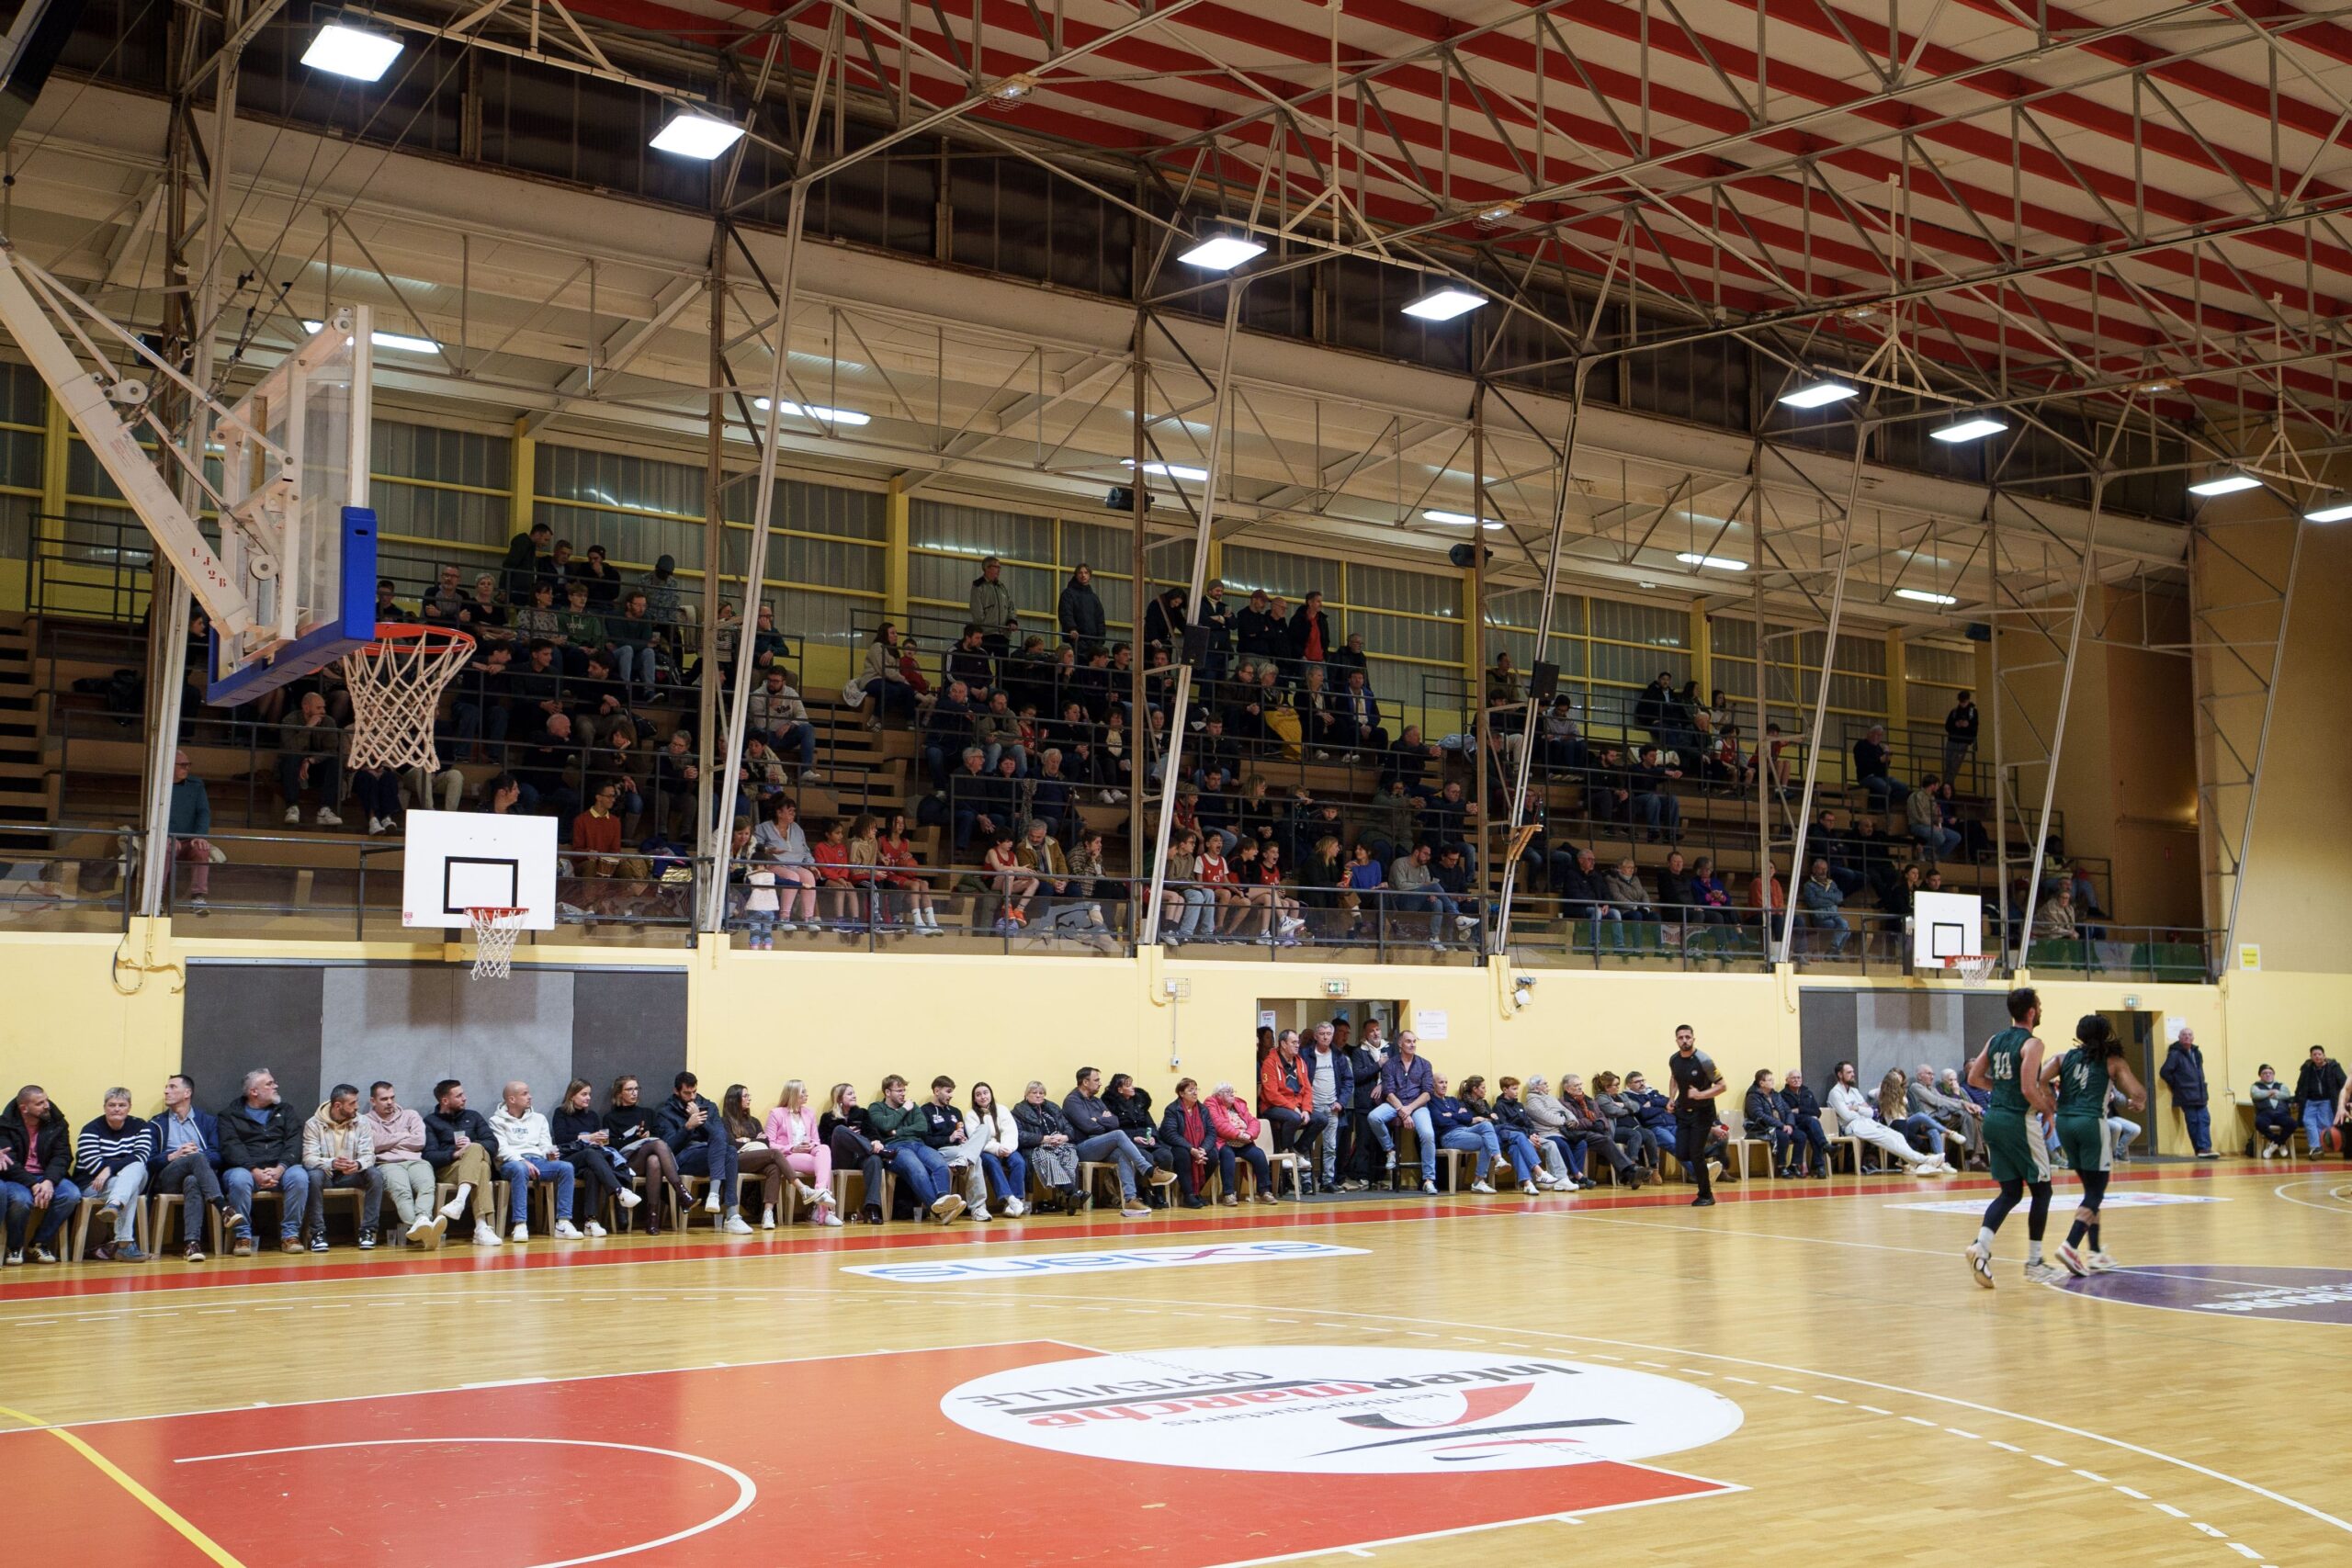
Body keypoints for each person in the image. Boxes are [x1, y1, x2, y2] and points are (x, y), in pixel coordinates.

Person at [1963, 987, 2062, 1287]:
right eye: (2039, 1005)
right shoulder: (2033, 1043)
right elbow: (2029, 1089)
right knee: (2042, 1191)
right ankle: (2035, 1263)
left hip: (1994, 1119)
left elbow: (1974, 1078)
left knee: (2011, 1192)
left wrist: (2001, 1089)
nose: (2040, 1010)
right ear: (2031, 1012)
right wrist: (2048, 1110)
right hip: (2019, 1121)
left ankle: (1981, 1248)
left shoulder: (1995, 1039)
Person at [2046, 1014, 2146, 1277]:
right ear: (2106, 1033)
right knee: (2096, 1193)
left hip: (2065, 1123)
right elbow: (2137, 1092)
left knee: (2090, 1191)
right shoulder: (2113, 1061)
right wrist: (2138, 1103)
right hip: (2091, 1123)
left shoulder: (2062, 1058)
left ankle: (2096, 1252)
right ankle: (2070, 1245)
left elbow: (2038, 1080)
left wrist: (2049, 1104)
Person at [215, 1067, 315, 1254]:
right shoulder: (229, 1115)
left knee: (299, 1176)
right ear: (254, 1091)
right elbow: (231, 1147)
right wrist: (254, 1170)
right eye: (269, 1084)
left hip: (281, 1169)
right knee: (238, 1179)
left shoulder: (286, 1110)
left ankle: (290, 1236)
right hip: (245, 1170)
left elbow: (294, 1142)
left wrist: (280, 1168)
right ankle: (242, 1237)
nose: (275, 1086)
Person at [484, 1081, 581, 1242]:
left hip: (537, 1161)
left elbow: (545, 1144)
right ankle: (520, 1224)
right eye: (525, 1094)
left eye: (529, 1093)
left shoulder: (539, 1118)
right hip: (511, 1163)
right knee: (520, 1169)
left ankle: (563, 1222)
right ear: (512, 1099)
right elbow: (501, 1149)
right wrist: (522, 1160)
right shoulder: (496, 1121)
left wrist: (549, 1153)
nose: (530, 1097)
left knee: (566, 1167)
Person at [1826, 1060, 1953, 1180]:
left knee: (1898, 1136)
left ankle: (1918, 1164)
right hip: (1852, 1126)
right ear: (1840, 1075)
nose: (1853, 1074)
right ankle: (1924, 1161)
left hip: (1866, 1122)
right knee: (1887, 1139)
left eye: (1853, 1072)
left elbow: (1871, 1112)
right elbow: (1847, 1116)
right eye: (1849, 1072)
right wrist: (1861, 1110)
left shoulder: (1854, 1091)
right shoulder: (1835, 1093)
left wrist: (1856, 1108)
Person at [1062, 1067, 1163, 1216]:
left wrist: (1097, 1119)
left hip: (1101, 1145)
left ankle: (1130, 1199)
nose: (1100, 1083)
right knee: (1118, 1135)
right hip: (1082, 1147)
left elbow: (1115, 1122)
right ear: (1085, 1082)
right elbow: (1088, 1126)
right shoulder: (1072, 1101)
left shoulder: (1097, 1101)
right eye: (1096, 1080)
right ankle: (1148, 1170)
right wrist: (1103, 1120)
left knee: (1123, 1153)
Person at [658, 1071, 752, 1233]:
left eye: (694, 1091)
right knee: (728, 1151)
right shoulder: (665, 1112)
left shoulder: (709, 1106)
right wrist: (687, 1127)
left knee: (729, 1150)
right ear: (676, 1091)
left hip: (711, 1153)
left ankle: (730, 1213)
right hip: (684, 1156)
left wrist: (702, 1122)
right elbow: (667, 1147)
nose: (692, 1097)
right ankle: (723, 1205)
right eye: (687, 1093)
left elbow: (723, 1138)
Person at [422, 1078, 511, 1247]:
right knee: (481, 1167)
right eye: (459, 1095)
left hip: (475, 1161)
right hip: (450, 1168)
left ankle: (459, 1201)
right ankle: (481, 1228)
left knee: (476, 1149)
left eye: (463, 1094)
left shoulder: (473, 1116)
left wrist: (470, 1146)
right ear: (445, 1100)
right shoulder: (430, 1122)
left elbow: (493, 1144)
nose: (465, 1098)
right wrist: (454, 1153)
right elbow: (429, 1156)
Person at [867, 1075, 967, 1224]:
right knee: (917, 1169)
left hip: (918, 1145)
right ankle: (940, 1211)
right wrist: (903, 1110)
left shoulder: (912, 1106)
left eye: (904, 1090)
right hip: (895, 1148)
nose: (903, 1094)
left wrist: (897, 1131)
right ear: (887, 1092)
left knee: (940, 1165)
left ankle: (944, 1201)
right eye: (899, 1091)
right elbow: (886, 1124)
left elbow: (922, 1127)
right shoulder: (876, 1108)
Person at [359, 1081, 447, 1247]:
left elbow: (419, 1141)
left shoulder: (410, 1115)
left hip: (415, 1161)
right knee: (402, 1192)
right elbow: (374, 1144)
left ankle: (422, 1220)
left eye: (392, 1097)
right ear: (373, 1101)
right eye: (384, 1099)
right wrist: (404, 1135)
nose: (390, 1102)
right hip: (387, 1163)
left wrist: (388, 1142)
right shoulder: (364, 1121)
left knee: (427, 1186)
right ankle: (420, 1227)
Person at [298, 1084, 384, 1251]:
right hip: (326, 1174)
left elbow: (369, 1155)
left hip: (351, 1174)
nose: (357, 1107)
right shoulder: (313, 1124)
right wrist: (331, 1163)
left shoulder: (362, 1122)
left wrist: (358, 1164)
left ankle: (368, 1231)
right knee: (313, 1176)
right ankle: (318, 1233)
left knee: (375, 1175)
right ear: (338, 1105)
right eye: (352, 1103)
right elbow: (308, 1159)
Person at [73, 1087, 153, 1261]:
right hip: (93, 1184)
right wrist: (121, 1164)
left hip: (127, 1178)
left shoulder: (141, 1126)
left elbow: (141, 1156)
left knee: (137, 1166)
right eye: (112, 1105)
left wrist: (109, 1168)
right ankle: (125, 1244)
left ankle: (114, 1205)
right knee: (128, 1188)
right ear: (104, 1107)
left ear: (129, 1107)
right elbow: (93, 1166)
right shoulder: (90, 1129)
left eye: (121, 1105)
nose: (116, 1109)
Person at [604, 1076, 686, 1234]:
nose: (634, 1093)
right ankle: (681, 1192)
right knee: (657, 1144)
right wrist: (635, 1138)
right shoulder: (610, 1118)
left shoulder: (647, 1113)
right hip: (626, 1162)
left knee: (654, 1160)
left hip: (646, 1160)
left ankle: (652, 1218)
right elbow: (611, 1146)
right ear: (619, 1093)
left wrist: (647, 1135)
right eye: (629, 1089)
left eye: (636, 1089)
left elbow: (658, 1135)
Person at [1366, 1030, 1441, 1191]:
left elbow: (1427, 1093)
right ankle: (1390, 1150)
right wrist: (1402, 1110)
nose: (1412, 1044)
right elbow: (1388, 1092)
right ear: (1400, 1044)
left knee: (1428, 1134)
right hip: (1395, 1104)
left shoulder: (1425, 1064)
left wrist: (1409, 1109)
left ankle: (1428, 1180)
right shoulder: (1390, 1065)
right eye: (1408, 1041)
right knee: (1373, 1117)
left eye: (1414, 1041)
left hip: (1417, 1106)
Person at [759, 1081, 839, 1226]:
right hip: (787, 1156)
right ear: (793, 1093)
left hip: (809, 1153)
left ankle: (820, 1192)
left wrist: (811, 1145)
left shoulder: (809, 1113)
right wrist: (792, 1148)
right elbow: (769, 1144)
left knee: (824, 1149)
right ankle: (825, 1214)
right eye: (803, 1092)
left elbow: (816, 1140)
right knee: (824, 1166)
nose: (806, 1094)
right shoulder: (776, 1113)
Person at [1258, 1031, 1330, 1190]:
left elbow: (1307, 1090)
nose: (1298, 1045)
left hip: (1297, 1106)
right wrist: (1294, 1108)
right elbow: (1271, 1094)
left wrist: (1306, 1109)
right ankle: (1286, 1151)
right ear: (1283, 1044)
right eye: (1294, 1042)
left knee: (1321, 1119)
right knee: (1294, 1118)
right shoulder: (1270, 1062)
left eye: (1298, 1042)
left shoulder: (1300, 1062)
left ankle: (1297, 1150)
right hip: (1273, 1107)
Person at [1666, 1025, 1728, 1208]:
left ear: (1693, 1038)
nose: (1684, 1040)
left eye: (1688, 1037)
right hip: (1683, 1111)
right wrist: (1671, 1099)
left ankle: (1706, 1195)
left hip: (1703, 1112)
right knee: (1682, 1152)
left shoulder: (1704, 1060)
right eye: (1681, 1037)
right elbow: (1674, 1078)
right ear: (1676, 1040)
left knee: (1695, 1154)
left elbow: (1722, 1086)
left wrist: (1700, 1095)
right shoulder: (1674, 1059)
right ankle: (1714, 1150)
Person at [922, 1076, 993, 1220]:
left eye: (952, 1091)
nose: (951, 1095)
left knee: (984, 1128)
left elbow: (963, 1134)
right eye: (948, 1091)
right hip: (940, 1151)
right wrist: (949, 1138)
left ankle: (963, 1159)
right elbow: (925, 1140)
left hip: (960, 1149)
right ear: (937, 1091)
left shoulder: (955, 1111)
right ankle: (978, 1209)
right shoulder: (924, 1111)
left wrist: (963, 1138)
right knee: (976, 1159)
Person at [1013, 1080, 1085, 1212]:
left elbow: (1068, 1126)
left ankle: (1070, 1199)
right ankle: (1072, 1192)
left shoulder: (1053, 1109)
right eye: (1034, 1092)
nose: (1038, 1095)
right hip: (1037, 1147)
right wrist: (1042, 1139)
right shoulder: (1018, 1112)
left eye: (1041, 1093)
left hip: (1060, 1145)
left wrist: (1065, 1137)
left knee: (1070, 1158)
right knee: (1049, 1158)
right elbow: (1019, 1135)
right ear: (1026, 1094)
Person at [1427, 1074, 1503, 1193]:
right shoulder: (1430, 1102)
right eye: (1441, 1082)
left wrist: (1451, 1115)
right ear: (1433, 1084)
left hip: (1464, 1130)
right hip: (1448, 1136)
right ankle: (1479, 1181)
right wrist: (1459, 1115)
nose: (1444, 1085)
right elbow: (1440, 1120)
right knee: (1487, 1141)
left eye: (1446, 1082)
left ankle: (1499, 1160)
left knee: (1486, 1125)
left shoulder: (1452, 1100)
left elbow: (1468, 1116)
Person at [963, 1081, 1028, 1218]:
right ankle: (1010, 1199)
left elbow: (1010, 1131)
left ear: (991, 1094)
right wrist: (997, 1148)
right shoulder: (971, 1115)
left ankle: (1014, 1202)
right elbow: (976, 1139)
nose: (983, 1097)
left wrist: (1007, 1148)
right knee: (992, 1162)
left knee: (1019, 1162)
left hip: (1006, 1147)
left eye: (985, 1093)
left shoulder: (1002, 1110)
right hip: (986, 1150)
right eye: (978, 1095)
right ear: (974, 1099)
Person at [1205, 1082, 1279, 1202]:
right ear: (1218, 1095)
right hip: (1224, 1142)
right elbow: (1218, 1124)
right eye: (1228, 1092)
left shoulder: (1239, 1105)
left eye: (1232, 1091)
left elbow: (1254, 1122)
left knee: (1259, 1154)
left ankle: (1264, 1191)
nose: (1232, 1094)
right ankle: (1228, 1194)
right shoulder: (1211, 1104)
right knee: (1227, 1156)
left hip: (1243, 1142)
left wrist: (1249, 1134)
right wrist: (1238, 1134)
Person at [2158, 1027, 2218, 1158]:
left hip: (2200, 1093)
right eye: (2184, 1034)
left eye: (2189, 1035)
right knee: (2193, 1122)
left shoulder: (2197, 1052)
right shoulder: (2175, 1054)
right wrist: (2177, 1084)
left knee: (2204, 1119)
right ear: (2179, 1038)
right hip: (2186, 1094)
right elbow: (2165, 1072)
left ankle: (2205, 1148)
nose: (2187, 1037)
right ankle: (2200, 1149)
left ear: (2193, 1038)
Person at [1744, 1070, 1801, 1179]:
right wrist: (1781, 1125)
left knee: (1800, 1136)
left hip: (1781, 1126)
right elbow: (1759, 1115)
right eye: (1770, 1080)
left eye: (1772, 1079)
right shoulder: (1753, 1097)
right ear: (1761, 1083)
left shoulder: (1776, 1095)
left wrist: (1789, 1124)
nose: (1773, 1082)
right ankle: (1781, 1166)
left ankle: (1794, 1165)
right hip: (1762, 1128)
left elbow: (1788, 1111)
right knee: (1783, 1136)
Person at [2294, 1044, 2347, 1157]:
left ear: (2324, 1055)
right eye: (2314, 1054)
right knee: (2308, 1122)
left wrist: (2347, 1099)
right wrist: (2296, 1099)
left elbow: (2344, 1083)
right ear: (2311, 1057)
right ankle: (2316, 1148)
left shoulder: (2333, 1066)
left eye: (2319, 1054)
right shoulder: (2307, 1068)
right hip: (2310, 1101)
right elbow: (2300, 1084)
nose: (2317, 1056)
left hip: (2327, 1100)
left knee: (2324, 1124)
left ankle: (2319, 1148)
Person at [1781, 1069, 1832, 1179]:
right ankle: (1823, 1153)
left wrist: (1799, 1109)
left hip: (1808, 1125)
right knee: (1812, 1122)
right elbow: (1787, 1114)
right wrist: (1807, 1115)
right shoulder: (1782, 1095)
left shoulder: (1807, 1093)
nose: (1796, 1080)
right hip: (1794, 1126)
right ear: (1787, 1080)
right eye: (1793, 1078)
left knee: (1813, 1130)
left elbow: (1817, 1112)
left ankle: (1820, 1167)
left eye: (1798, 1077)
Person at [2249, 1065, 2294, 1157]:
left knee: (2292, 1123)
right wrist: (2271, 1092)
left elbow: (2286, 1095)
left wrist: (2273, 1094)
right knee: (2259, 1123)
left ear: (2273, 1075)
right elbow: (2256, 1095)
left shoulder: (2281, 1085)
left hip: (2281, 1113)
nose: (2268, 1075)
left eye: (2270, 1073)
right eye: (2265, 1073)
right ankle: (2280, 1143)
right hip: (2264, 1113)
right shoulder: (2255, 1086)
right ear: (2260, 1075)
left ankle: (2275, 1144)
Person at [1854, 724, 1903, 804]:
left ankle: (1887, 806)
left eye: (1880, 735)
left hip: (1880, 777)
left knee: (1902, 787)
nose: (1877, 737)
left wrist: (1887, 758)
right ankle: (1880, 807)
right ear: (1869, 734)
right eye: (1876, 734)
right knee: (1885, 788)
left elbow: (1884, 769)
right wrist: (1880, 760)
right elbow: (1864, 764)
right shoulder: (1861, 745)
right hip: (1866, 776)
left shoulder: (1879, 749)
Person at [1942, 691, 1979, 783]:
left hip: (1962, 741)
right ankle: (1947, 784)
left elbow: (1975, 727)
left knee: (1954, 765)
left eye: (1964, 702)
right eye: (1961, 702)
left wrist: (1968, 725)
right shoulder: (1954, 712)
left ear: (1968, 700)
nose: (1962, 704)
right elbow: (1947, 726)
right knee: (1949, 764)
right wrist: (1956, 724)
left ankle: (1947, 784)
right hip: (1953, 740)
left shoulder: (1973, 712)